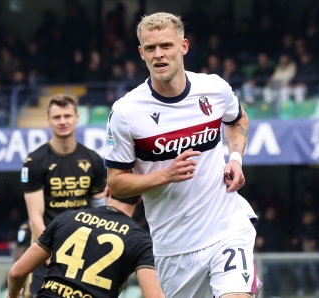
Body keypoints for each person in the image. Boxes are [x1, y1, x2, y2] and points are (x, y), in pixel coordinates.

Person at [105, 12, 261, 298]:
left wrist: (235, 159)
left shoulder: (214, 88)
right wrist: (165, 175)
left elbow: (237, 120)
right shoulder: (126, 112)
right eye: (150, 48)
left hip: (226, 228)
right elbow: (116, 183)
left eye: (166, 46)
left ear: (184, 47)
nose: (159, 55)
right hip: (173, 247)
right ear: (141, 53)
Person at [6, 186, 163, 298]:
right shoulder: (142, 241)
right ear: (139, 199)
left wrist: (12, 295)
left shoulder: (66, 218)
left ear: (107, 191)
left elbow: (16, 272)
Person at [20, 94, 106, 297]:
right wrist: (52, 258)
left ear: (77, 117)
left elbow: (101, 211)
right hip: (46, 253)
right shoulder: (35, 162)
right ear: (48, 120)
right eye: (57, 117)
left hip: (83, 253)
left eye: (67, 115)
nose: (62, 121)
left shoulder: (93, 160)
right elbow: (35, 218)